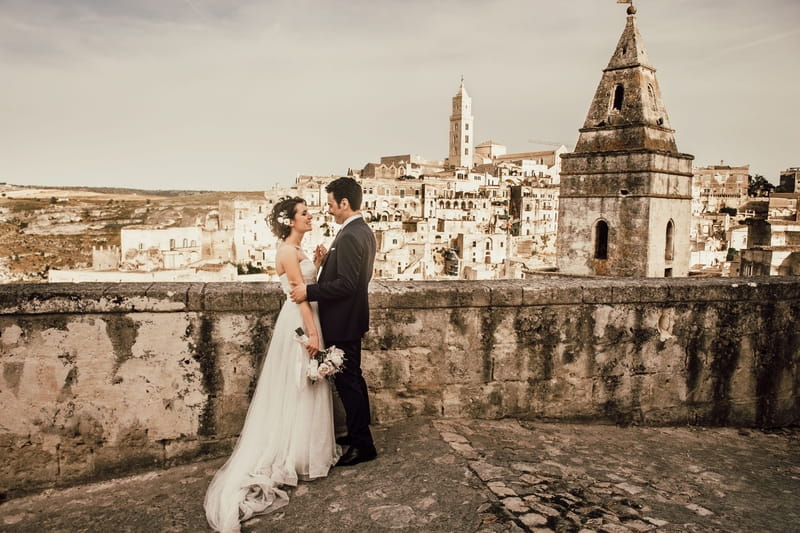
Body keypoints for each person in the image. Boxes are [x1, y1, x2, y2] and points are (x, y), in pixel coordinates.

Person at [204, 197, 340, 533]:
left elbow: (306, 284)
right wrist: (312, 335)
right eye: (304, 213)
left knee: (305, 386)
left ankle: (303, 450)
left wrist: (318, 267)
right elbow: (299, 294)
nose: (310, 216)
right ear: (291, 221)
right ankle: (293, 454)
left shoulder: (297, 250)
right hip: (300, 321)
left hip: (307, 318)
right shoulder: (286, 252)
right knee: (298, 385)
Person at [290, 176, 378, 467]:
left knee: (349, 383)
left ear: (344, 203)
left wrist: (309, 290)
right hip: (350, 319)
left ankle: (362, 445)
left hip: (344, 321)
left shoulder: (352, 234)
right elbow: (351, 277)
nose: (328, 210)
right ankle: (357, 435)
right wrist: (326, 261)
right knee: (352, 380)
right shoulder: (360, 231)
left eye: (330, 204)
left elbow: (348, 284)